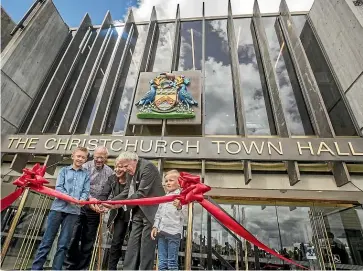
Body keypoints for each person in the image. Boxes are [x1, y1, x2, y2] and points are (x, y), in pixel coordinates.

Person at [102, 151, 165, 270]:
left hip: (152, 212)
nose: (125, 170)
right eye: (122, 167)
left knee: (146, 247)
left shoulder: (148, 167)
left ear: (134, 160)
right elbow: (127, 191)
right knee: (132, 244)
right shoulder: (131, 170)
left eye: (126, 166)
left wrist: (121, 205)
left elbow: (141, 193)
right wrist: (111, 203)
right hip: (137, 211)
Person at [32, 147, 90, 270]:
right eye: (78, 156)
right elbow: (59, 188)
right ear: (73, 156)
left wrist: (82, 200)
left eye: (83, 157)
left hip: (73, 212)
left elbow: (85, 191)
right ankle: (36, 268)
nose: (80, 159)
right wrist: (71, 199)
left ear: (86, 159)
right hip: (58, 209)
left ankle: (56, 269)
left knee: (63, 244)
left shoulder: (86, 175)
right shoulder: (63, 170)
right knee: (46, 241)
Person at [65, 146, 113, 270]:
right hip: (80, 206)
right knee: (73, 236)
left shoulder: (110, 172)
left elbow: (110, 192)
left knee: (89, 240)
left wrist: (105, 205)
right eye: (97, 156)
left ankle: (82, 268)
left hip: (95, 210)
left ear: (106, 158)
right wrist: (89, 199)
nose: (99, 159)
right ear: (93, 156)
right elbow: (80, 187)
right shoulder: (85, 167)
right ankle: (69, 266)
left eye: (102, 157)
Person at [97, 157, 131, 270]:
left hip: (133, 214)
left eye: (120, 167)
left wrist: (112, 203)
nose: (117, 169)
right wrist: (101, 203)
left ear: (127, 168)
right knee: (115, 242)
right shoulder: (112, 179)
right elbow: (104, 194)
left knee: (132, 245)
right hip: (118, 214)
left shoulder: (133, 179)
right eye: (116, 166)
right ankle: (111, 268)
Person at [151, 170, 187, 270]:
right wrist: (155, 226)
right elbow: (159, 214)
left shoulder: (182, 197)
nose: (168, 183)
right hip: (162, 231)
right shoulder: (164, 197)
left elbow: (186, 215)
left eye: (171, 180)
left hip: (173, 233)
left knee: (171, 262)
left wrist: (180, 206)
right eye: (166, 181)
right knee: (161, 262)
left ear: (179, 182)